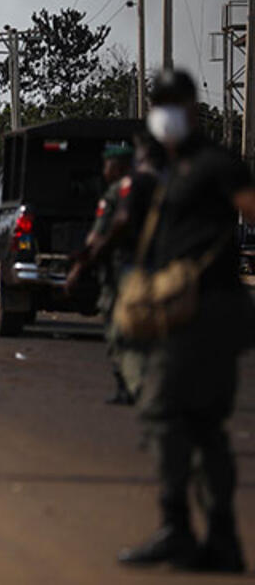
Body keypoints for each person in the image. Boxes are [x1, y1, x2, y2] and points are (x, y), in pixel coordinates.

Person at [115, 70, 255, 572]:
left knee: (161, 411)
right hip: (191, 309)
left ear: (193, 107)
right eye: (160, 102)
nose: (165, 110)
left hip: (204, 309)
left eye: (173, 102)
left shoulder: (216, 164)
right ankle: (222, 540)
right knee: (204, 426)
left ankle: (176, 527)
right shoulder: (168, 168)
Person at [67, 144, 136, 405]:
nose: (104, 170)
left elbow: (99, 233)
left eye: (107, 165)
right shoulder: (153, 189)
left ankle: (126, 385)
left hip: (119, 272)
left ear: (118, 167)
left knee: (117, 329)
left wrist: (79, 267)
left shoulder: (115, 194)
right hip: (147, 272)